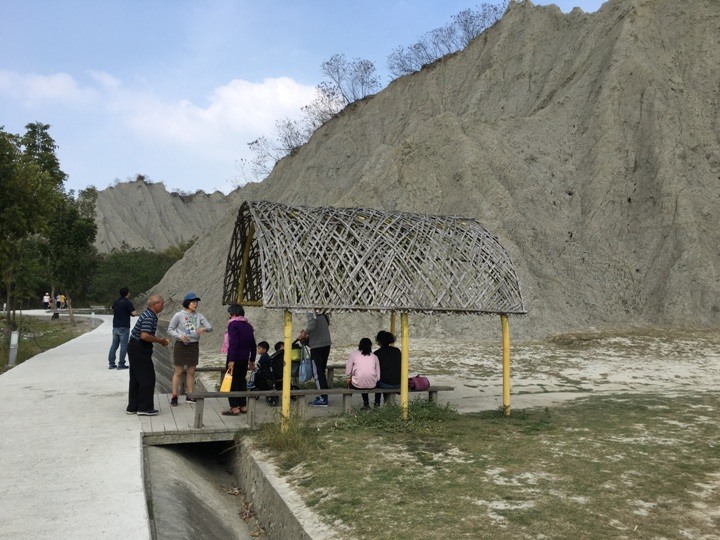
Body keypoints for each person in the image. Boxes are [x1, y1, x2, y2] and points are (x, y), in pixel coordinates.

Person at [126, 294, 170, 416]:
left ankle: (133, 407)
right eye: (161, 303)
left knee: (136, 378)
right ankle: (145, 408)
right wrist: (159, 340)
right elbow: (144, 336)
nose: (163, 305)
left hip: (134, 347)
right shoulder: (149, 317)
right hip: (139, 348)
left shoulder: (147, 314)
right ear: (155, 305)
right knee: (147, 377)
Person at [166, 292, 213, 406]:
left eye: (196, 302)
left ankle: (190, 395)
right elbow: (170, 329)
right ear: (187, 303)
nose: (195, 304)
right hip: (181, 345)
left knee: (191, 372)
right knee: (178, 371)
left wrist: (204, 329)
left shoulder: (199, 315)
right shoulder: (178, 315)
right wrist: (179, 335)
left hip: (193, 345)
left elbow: (210, 327)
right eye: (193, 302)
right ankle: (174, 396)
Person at [222, 304, 256, 416]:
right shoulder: (248, 326)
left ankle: (234, 407)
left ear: (233, 313)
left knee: (231, 382)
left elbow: (234, 343)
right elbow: (253, 344)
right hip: (244, 358)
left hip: (234, 358)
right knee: (242, 381)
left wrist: (231, 360)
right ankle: (243, 405)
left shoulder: (233, 325)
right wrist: (252, 360)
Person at [298, 312, 331, 407]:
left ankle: (323, 398)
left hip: (317, 346)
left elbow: (312, 324)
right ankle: (323, 395)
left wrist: (304, 333)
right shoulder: (324, 311)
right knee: (321, 371)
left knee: (317, 372)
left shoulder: (310, 310)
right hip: (326, 343)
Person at [346, 337, 381, 410]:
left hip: (357, 384)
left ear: (359, 345)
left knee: (354, 382)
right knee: (365, 380)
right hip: (372, 384)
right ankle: (373, 405)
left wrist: (354, 372)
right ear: (370, 346)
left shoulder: (353, 354)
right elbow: (378, 377)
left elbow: (347, 372)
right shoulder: (374, 357)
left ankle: (349, 405)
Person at [108, 287, 138, 370]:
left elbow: (112, 308)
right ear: (127, 293)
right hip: (124, 327)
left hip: (115, 326)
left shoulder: (116, 301)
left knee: (114, 345)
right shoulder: (128, 302)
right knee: (123, 345)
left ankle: (111, 363)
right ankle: (121, 364)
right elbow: (134, 313)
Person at [373, 330, 402, 407]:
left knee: (377, 380)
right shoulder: (397, 351)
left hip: (385, 384)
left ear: (379, 341)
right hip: (398, 383)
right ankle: (388, 403)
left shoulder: (377, 353)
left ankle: (377, 403)